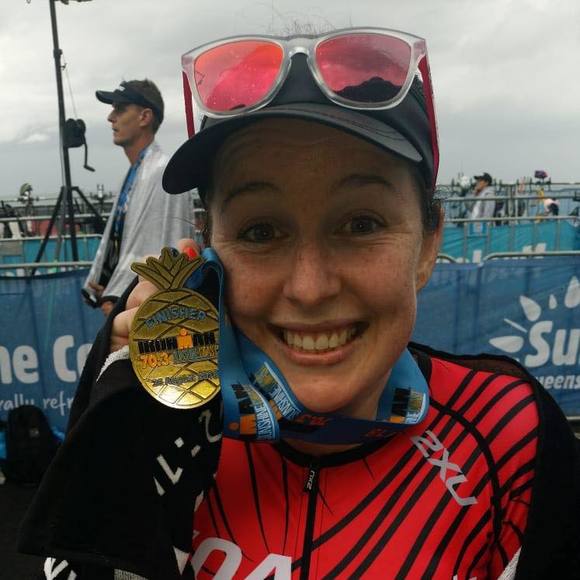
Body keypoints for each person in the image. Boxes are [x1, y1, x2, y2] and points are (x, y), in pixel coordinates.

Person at [21, 28, 579, 579]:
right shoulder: (151, 419)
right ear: (204, 251)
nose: (310, 288)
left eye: (361, 224)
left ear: (428, 245)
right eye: (261, 231)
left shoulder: (512, 434)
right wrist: (113, 448)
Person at [83, 79, 194, 316]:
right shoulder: (136, 174)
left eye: (120, 109)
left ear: (144, 117)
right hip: (128, 303)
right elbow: (128, 243)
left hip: (149, 312)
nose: (110, 117)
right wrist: (109, 284)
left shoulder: (164, 172)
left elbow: (169, 247)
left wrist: (119, 296)